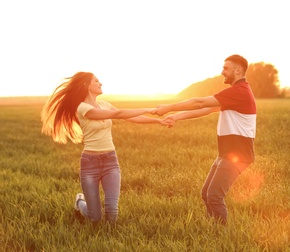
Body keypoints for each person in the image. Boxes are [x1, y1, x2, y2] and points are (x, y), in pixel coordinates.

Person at [41, 71, 167, 224]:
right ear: (86, 85)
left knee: (112, 212)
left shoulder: (104, 105)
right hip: (90, 164)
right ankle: (79, 202)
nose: (100, 83)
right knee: (95, 217)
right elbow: (119, 113)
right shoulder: (82, 108)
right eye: (96, 81)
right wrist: (149, 109)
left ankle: (109, 238)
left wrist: (157, 121)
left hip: (110, 162)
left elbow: (130, 116)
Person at [153, 54, 256, 225]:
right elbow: (205, 109)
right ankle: (212, 227)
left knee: (214, 196)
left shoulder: (240, 92)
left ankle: (221, 235)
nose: (222, 72)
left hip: (237, 154)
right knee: (206, 193)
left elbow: (199, 102)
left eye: (226, 68)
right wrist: (175, 117)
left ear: (238, 70)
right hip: (226, 153)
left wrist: (168, 107)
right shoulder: (235, 94)